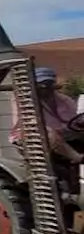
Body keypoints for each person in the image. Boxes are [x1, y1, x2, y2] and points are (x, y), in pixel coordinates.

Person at [13, 67, 82, 198]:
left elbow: (73, 122)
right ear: (35, 85)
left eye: (48, 83)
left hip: (64, 135)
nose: (45, 87)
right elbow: (30, 124)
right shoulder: (25, 102)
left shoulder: (65, 100)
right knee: (47, 131)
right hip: (31, 136)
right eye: (42, 84)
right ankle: (77, 158)